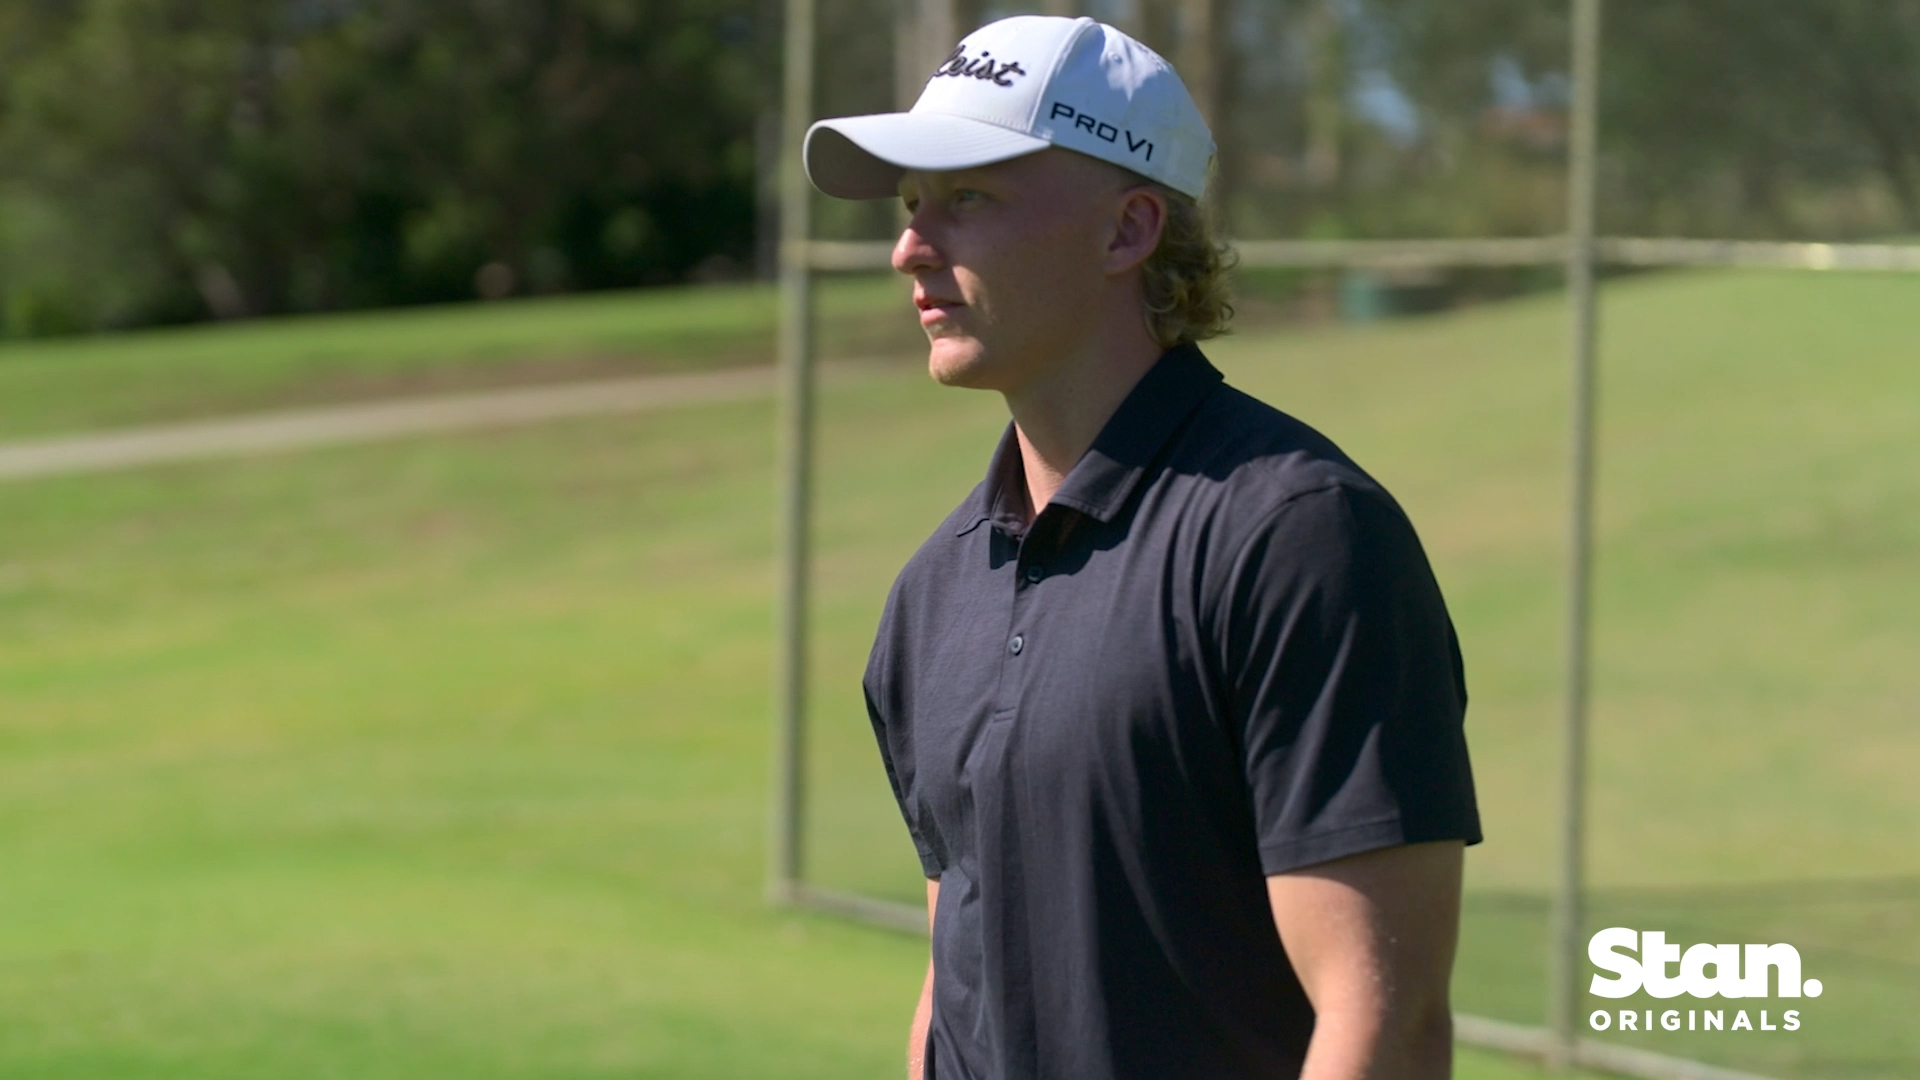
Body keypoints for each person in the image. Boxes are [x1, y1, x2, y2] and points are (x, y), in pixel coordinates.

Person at [804, 15, 1482, 1080]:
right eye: (910, 206)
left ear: (1127, 231)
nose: (910, 247)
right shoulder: (933, 592)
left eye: (968, 198)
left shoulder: (1299, 538)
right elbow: (952, 992)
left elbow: (1382, 1026)